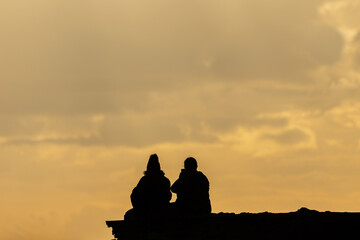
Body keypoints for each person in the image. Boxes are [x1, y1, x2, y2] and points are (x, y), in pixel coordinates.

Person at [125, 154, 172, 220]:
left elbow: (134, 195)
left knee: (128, 215)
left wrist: (138, 208)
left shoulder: (144, 180)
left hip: (145, 211)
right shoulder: (165, 180)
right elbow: (168, 196)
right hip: (161, 210)